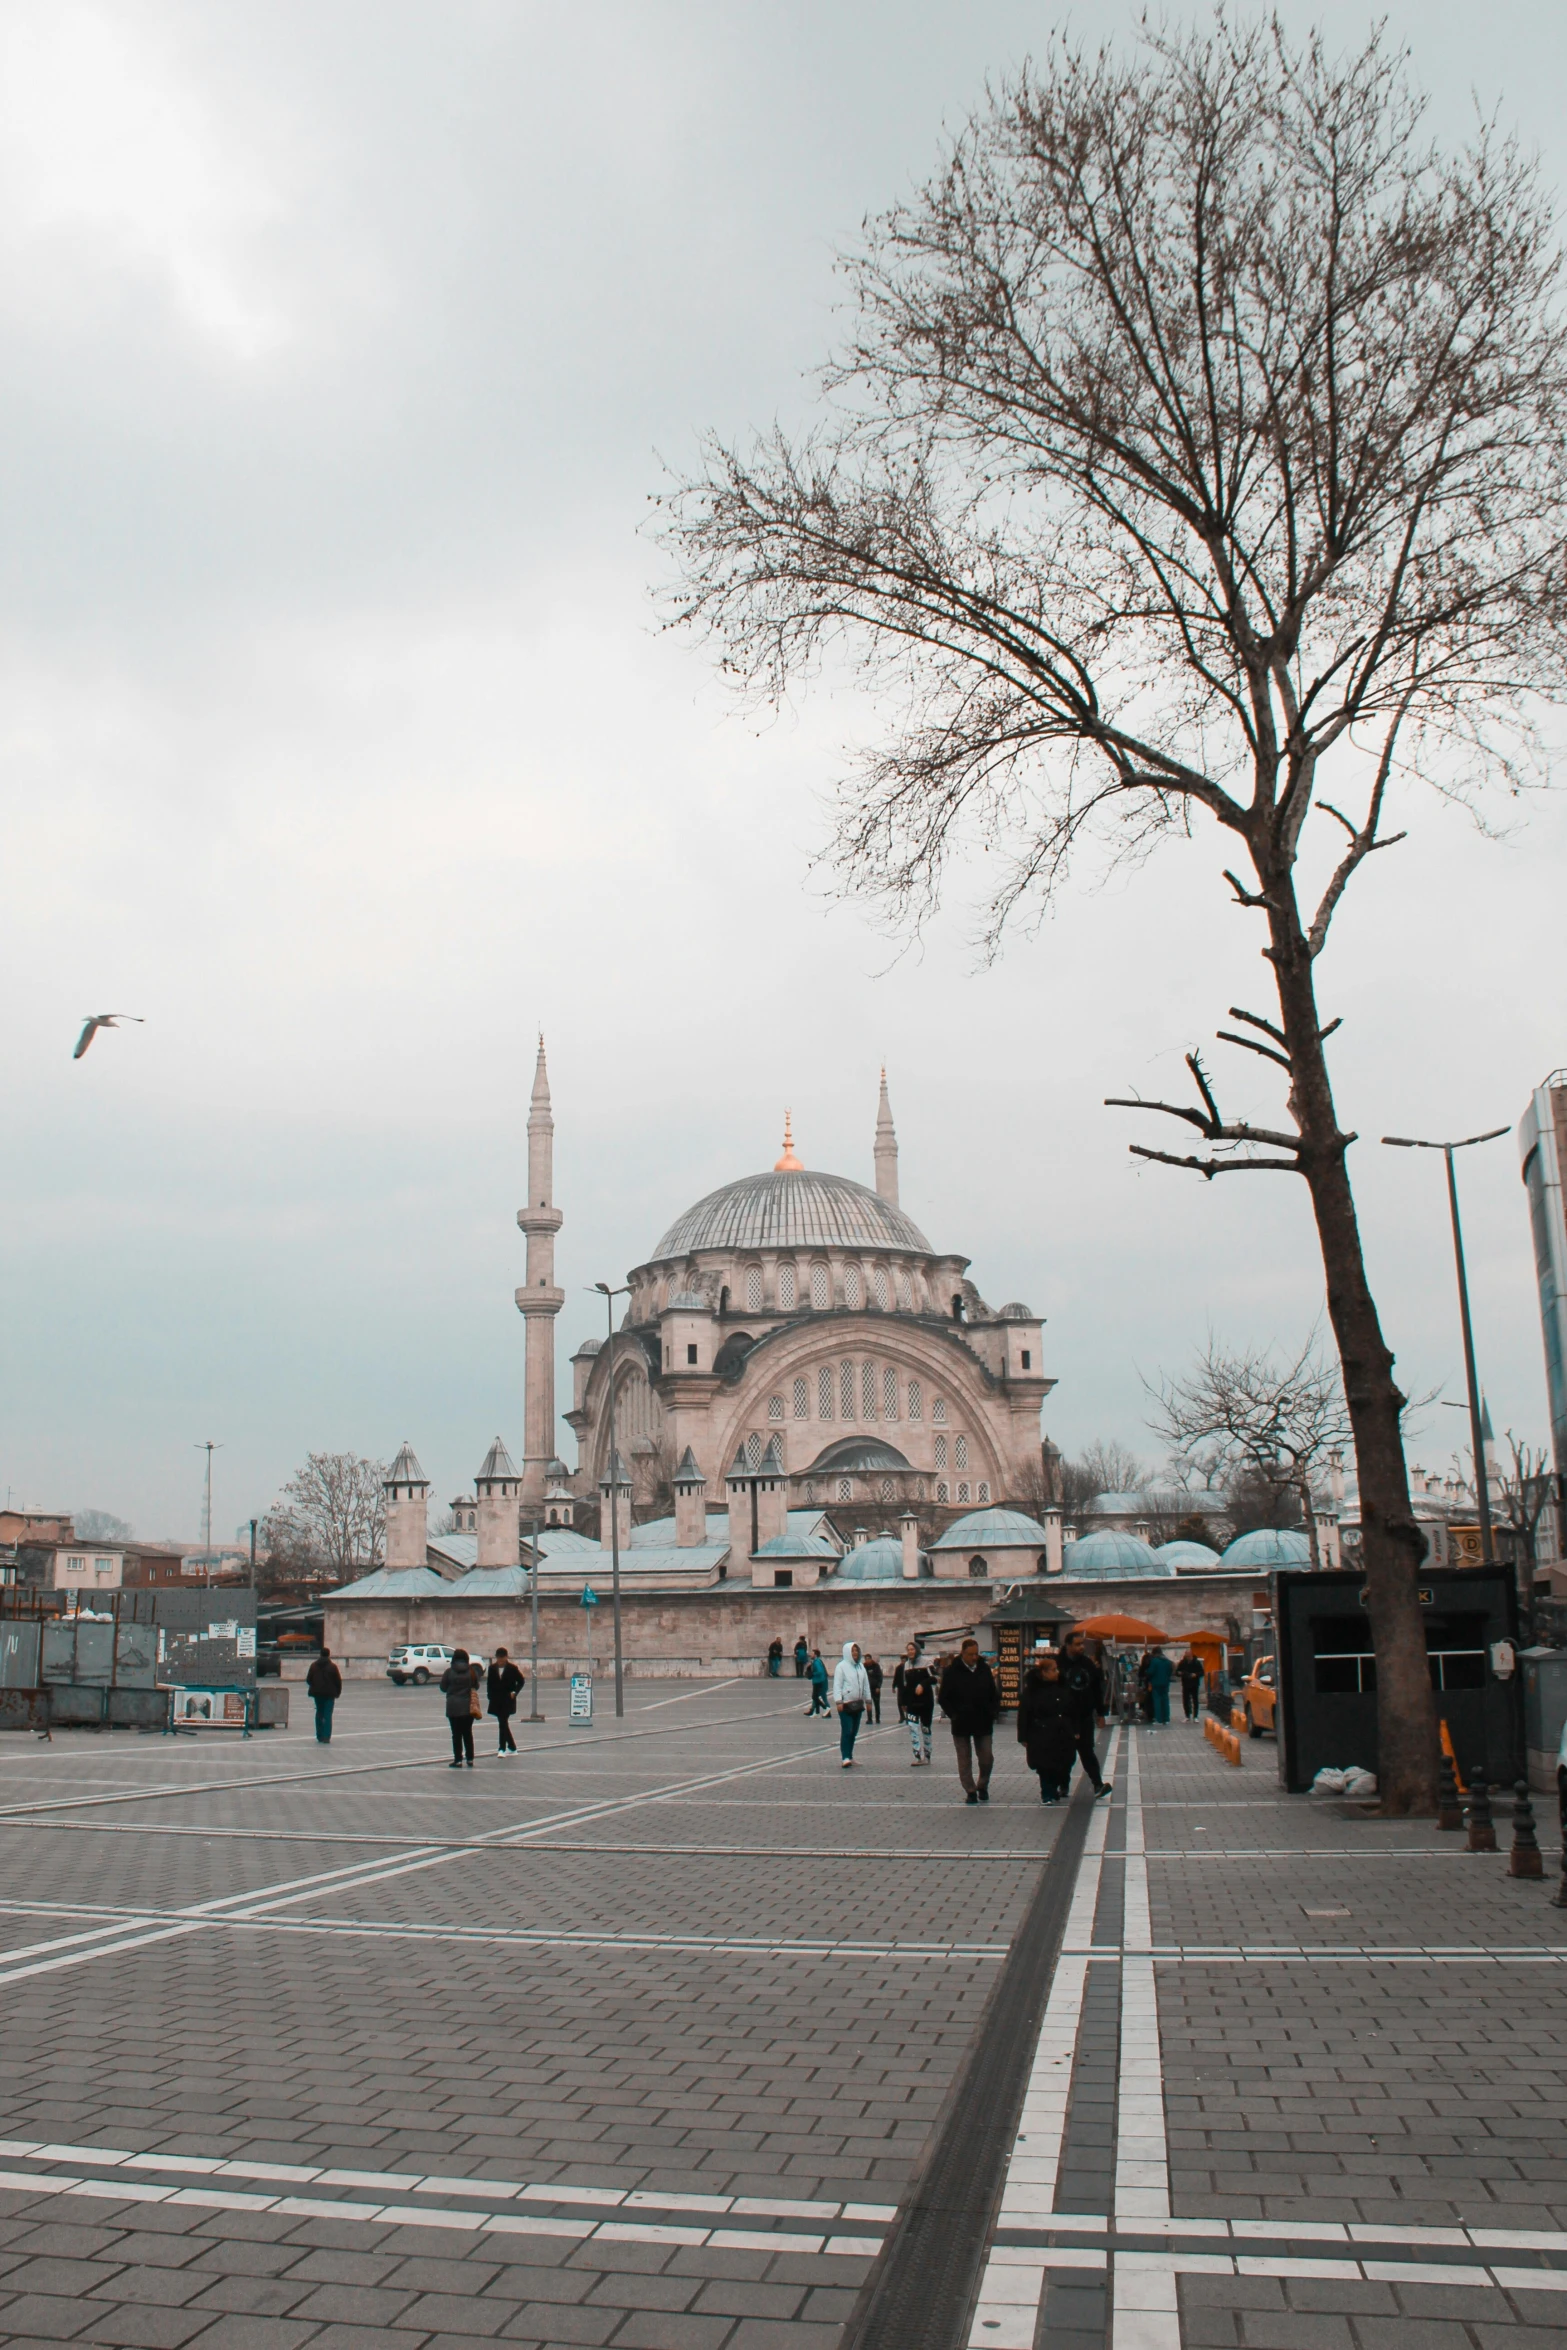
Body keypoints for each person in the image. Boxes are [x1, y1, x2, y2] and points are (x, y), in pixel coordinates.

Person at [938, 1637, 1000, 1804]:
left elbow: (993, 1693)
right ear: (963, 1653)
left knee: (987, 1758)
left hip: (983, 1721)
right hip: (961, 1722)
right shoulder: (952, 1671)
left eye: (976, 1654)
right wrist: (954, 1715)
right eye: (971, 1654)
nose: (974, 1658)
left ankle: (983, 1784)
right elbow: (943, 1697)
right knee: (964, 1759)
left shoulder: (984, 1669)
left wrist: (992, 1711)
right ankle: (970, 1790)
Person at [1017, 1644, 1077, 1802]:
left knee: (1063, 1763)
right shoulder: (1032, 1691)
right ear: (1044, 1673)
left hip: (1062, 1732)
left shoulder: (1062, 1687)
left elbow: (1071, 1709)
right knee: (1045, 1765)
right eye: (1053, 1670)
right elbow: (1024, 1713)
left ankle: (1056, 1786)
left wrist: (1074, 1729)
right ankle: (1047, 1792)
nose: (1057, 1673)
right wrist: (1023, 1736)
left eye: (1057, 1669)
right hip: (1041, 1733)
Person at [1058, 1631, 1112, 1797]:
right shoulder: (1058, 1664)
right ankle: (1063, 1785)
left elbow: (1097, 1689)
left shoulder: (1087, 1664)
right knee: (1065, 1754)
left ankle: (1097, 1784)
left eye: (1082, 1644)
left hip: (1084, 1716)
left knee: (1087, 1751)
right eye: (1077, 1644)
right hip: (1064, 1717)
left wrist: (1101, 1713)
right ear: (1068, 1645)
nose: (1081, 1647)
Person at [832, 1639, 872, 1766]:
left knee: (854, 1731)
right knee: (847, 1730)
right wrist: (838, 1701)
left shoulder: (861, 1667)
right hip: (846, 1704)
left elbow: (866, 1685)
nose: (855, 1653)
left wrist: (868, 1700)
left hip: (858, 1703)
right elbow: (837, 1685)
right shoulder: (841, 1667)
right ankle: (845, 1757)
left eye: (856, 1650)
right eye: (852, 1651)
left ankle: (850, 1755)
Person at [440, 1647, 481, 1768]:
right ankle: (470, 1759)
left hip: (453, 1707)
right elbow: (476, 1686)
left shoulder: (449, 1672)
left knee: (456, 1734)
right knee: (468, 1733)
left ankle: (458, 1760)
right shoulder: (472, 1671)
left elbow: (443, 1687)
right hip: (468, 1707)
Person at [898, 1645, 936, 1765]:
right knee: (913, 1727)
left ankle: (928, 1755)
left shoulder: (926, 1662)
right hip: (912, 1702)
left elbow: (934, 1678)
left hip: (925, 1702)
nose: (910, 1652)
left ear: (917, 1650)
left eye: (912, 1649)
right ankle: (918, 1756)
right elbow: (904, 1685)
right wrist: (903, 1702)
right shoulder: (906, 1665)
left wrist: (922, 1684)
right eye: (908, 1650)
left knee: (925, 1728)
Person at [487, 1646, 524, 1753]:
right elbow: (490, 1683)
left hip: (507, 1700)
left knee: (502, 1723)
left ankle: (502, 1748)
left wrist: (515, 1692)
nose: (500, 1661)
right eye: (498, 1658)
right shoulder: (492, 1668)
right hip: (496, 1700)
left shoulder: (512, 1668)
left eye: (502, 1658)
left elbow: (521, 1681)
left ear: (506, 1657)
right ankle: (512, 1746)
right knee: (503, 1723)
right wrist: (489, 1696)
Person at [305, 1647, 342, 1745]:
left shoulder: (313, 1666)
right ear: (328, 1654)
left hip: (317, 1694)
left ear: (320, 1654)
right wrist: (337, 1692)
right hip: (330, 1694)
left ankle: (319, 1735)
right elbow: (338, 1681)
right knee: (328, 1715)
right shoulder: (333, 1667)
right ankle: (326, 1737)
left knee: (319, 1713)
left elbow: (308, 1679)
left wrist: (315, 1685)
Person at [1145, 1643, 1174, 1728]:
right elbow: (1170, 1672)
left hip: (1156, 1683)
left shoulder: (1155, 1661)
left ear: (1155, 1653)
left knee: (1157, 1701)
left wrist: (1147, 1673)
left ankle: (1159, 1719)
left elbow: (1151, 1672)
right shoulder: (1167, 1661)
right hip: (1165, 1683)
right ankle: (1166, 1719)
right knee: (1165, 1701)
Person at [1177, 1648, 1205, 1720]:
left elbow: (1202, 1672)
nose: (1187, 1657)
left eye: (1189, 1656)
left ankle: (1195, 1716)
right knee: (1185, 1700)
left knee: (1195, 1700)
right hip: (1185, 1683)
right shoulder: (1183, 1662)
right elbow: (1177, 1671)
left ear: (1191, 1655)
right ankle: (1187, 1715)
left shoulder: (1196, 1662)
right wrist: (1179, 1673)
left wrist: (1195, 1674)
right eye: (1186, 1656)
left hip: (1194, 1684)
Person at [805, 1649, 830, 1716]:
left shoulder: (817, 1662)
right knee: (817, 1696)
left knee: (816, 1697)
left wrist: (813, 1674)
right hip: (819, 1680)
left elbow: (820, 1671)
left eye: (812, 1653)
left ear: (815, 1655)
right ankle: (816, 1712)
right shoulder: (816, 1661)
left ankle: (826, 1708)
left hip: (819, 1681)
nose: (810, 1654)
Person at [864, 1651, 883, 1725]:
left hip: (875, 1688)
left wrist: (878, 1686)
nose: (867, 1660)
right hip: (867, 1688)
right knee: (868, 1704)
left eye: (869, 1659)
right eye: (866, 1659)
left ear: (871, 1659)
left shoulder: (876, 1666)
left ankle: (877, 1718)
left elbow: (880, 1677)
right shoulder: (863, 1666)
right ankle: (869, 1719)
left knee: (877, 1704)